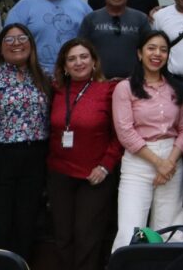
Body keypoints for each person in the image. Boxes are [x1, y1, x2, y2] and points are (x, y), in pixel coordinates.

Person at [0, 23, 52, 262]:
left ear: (31, 44)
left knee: (26, 222)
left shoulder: (43, 77)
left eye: (22, 38)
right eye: (9, 40)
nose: (17, 44)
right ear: (0, 48)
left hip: (35, 157)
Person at [111, 31, 183, 253]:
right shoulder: (125, 87)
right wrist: (158, 163)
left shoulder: (176, 88)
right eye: (151, 48)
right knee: (131, 231)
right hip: (139, 161)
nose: (157, 54)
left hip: (172, 159)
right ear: (139, 53)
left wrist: (169, 162)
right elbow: (125, 131)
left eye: (163, 50)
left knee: (170, 231)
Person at [47, 38, 123, 270]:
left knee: (87, 237)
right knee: (62, 237)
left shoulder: (109, 90)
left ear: (94, 62)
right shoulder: (56, 90)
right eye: (71, 59)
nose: (78, 62)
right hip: (59, 174)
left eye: (83, 57)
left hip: (95, 175)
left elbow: (119, 135)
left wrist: (105, 166)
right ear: (64, 66)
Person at [6, 0, 91, 74]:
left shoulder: (81, 5)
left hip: (75, 73)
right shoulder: (23, 6)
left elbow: (93, 41)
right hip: (34, 74)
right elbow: (9, 42)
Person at [79, 0, 153, 79]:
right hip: (98, 81)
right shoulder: (91, 19)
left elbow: (149, 50)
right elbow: (81, 50)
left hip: (132, 81)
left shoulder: (141, 18)